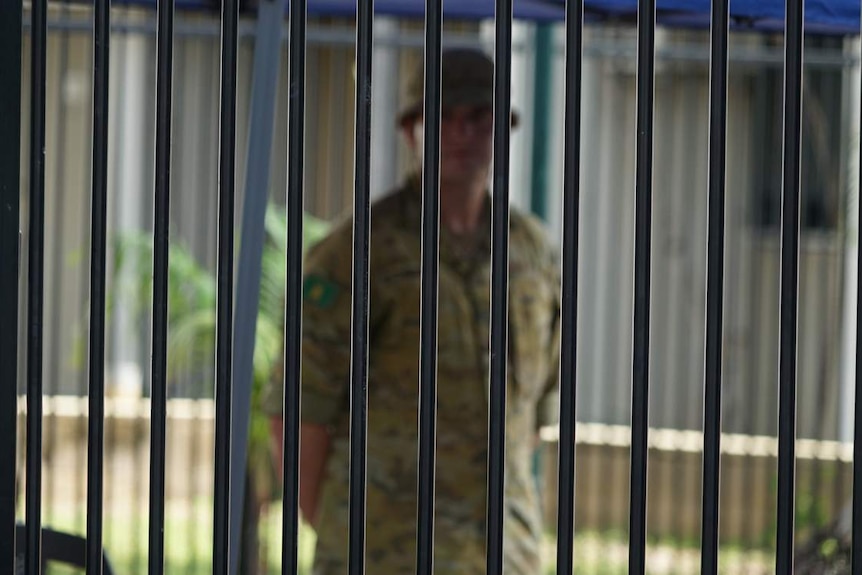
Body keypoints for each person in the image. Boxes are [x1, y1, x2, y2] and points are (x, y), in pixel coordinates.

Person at [265, 47, 561, 575]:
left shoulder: (534, 254)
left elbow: (534, 411)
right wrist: (344, 528)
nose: (462, 133)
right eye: (443, 117)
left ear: (502, 130)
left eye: (479, 117)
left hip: (502, 552)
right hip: (384, 550)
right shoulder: (356, 253)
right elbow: (299, 414)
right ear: (411, 131)